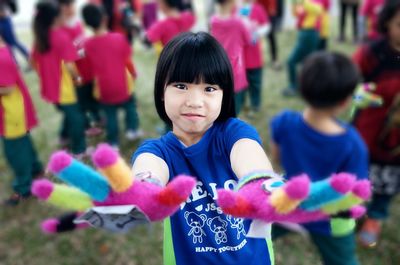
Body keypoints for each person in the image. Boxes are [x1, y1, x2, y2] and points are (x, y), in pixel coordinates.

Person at [131, 31, 275, 265]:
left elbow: (249, 157)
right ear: (161, 91)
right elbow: (148, 168)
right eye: (181, 85)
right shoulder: (159, 152)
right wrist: (144, 186)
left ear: (224, 95)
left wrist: (261, 183)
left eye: (209, 88)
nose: (194, 101)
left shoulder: (233, 134)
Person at [270, 51, 369, 265]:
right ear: (345, 101)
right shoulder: (353, 145)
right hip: (332, 218)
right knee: (343, 261)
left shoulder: (284, 122)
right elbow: (355, 194)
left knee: (250, 240)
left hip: (288, 200)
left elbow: (276, 158)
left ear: (301, 87)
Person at [352, 0, 400, 248]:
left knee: (389, 181)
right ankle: (352, 209)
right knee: (359, 174)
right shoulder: (372, 53)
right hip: (367, 131)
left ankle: (376, 217)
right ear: (387, 23)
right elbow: (350, 88)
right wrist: (366, 97)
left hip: (396, 144)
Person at [31, 1, 87, 157]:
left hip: (50, 86)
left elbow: (33, 61)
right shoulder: (61, 37)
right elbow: (69, 65)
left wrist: (44, 75)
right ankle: (79, 149)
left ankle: (64, 136)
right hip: (64, 87)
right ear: (56, 18)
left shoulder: (41, 36)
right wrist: (77, 77)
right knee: (76, 118)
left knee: (69, 112)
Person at [82, 4, 142, 148]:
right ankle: (132, 130)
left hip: (104, 89)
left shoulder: (87, 44)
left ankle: (113, 141)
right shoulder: (119, 38)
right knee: (130, 108)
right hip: (122, 85)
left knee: (110, 117)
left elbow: (88, 68)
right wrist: (133, 73)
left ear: (87, 24)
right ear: (105, 19)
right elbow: (127, 60)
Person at [0, 35, 43, 206]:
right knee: (23, 143)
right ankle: (35, 169)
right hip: (13, 111)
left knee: (15, 151)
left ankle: (24, 188)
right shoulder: (3, 49)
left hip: (11, 114)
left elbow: (8, 88)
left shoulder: (1, 58)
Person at [57, 0, 102, 137]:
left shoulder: (77, 24)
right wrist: (76, 76)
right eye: (70, 5)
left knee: (91, 98)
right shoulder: (61, 31)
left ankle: (97, 118)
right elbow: (67, 60)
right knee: (79, 105)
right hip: (77, 77)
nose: (74, 8)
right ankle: (79, 129)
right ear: (63, 8)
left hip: (88, 72)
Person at [210, 0, 251, 115]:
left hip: (219, 68)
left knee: (221, 106)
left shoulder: (214, 20)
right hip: (235, 70)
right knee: (234, 109)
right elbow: (248, 39)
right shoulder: (237, 23)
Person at [282, 0, 323, 97]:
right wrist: (293, 3)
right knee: (306, 62)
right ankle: (304, 87)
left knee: (293, 61)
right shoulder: (303, 3)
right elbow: (297, 14)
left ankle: (295, 87)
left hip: (309, 34)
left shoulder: (312, 2)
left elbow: (319, 10)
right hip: (305, 33)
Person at [239, 0, 270, 115]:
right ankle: (241, 103)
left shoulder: (258, 9)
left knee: (255, 81)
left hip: (254, 54)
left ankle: (255, 103)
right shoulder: (235, 9)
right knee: (240, 84)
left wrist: (256, 32)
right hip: (240, 55)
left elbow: (266, 25)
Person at [0, 0, 30, 65]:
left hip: (5, 20)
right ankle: (14, 63)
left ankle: (29, 58)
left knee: (12, 42)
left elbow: (7, 9)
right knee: (7, 45)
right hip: (4, 19)